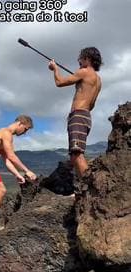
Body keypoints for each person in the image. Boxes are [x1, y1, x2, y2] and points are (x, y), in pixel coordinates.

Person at [48, 47, 102, 177]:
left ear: (87, 58)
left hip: (78, 115)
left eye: (81, 58)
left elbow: (59, 82)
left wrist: (55, 69)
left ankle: (89, 187)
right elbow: (92, 104)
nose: (79, 61)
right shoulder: (98, 80)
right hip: (86, 116)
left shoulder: (83, 72)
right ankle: (82, 188)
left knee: (77, 154)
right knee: (74, 155)